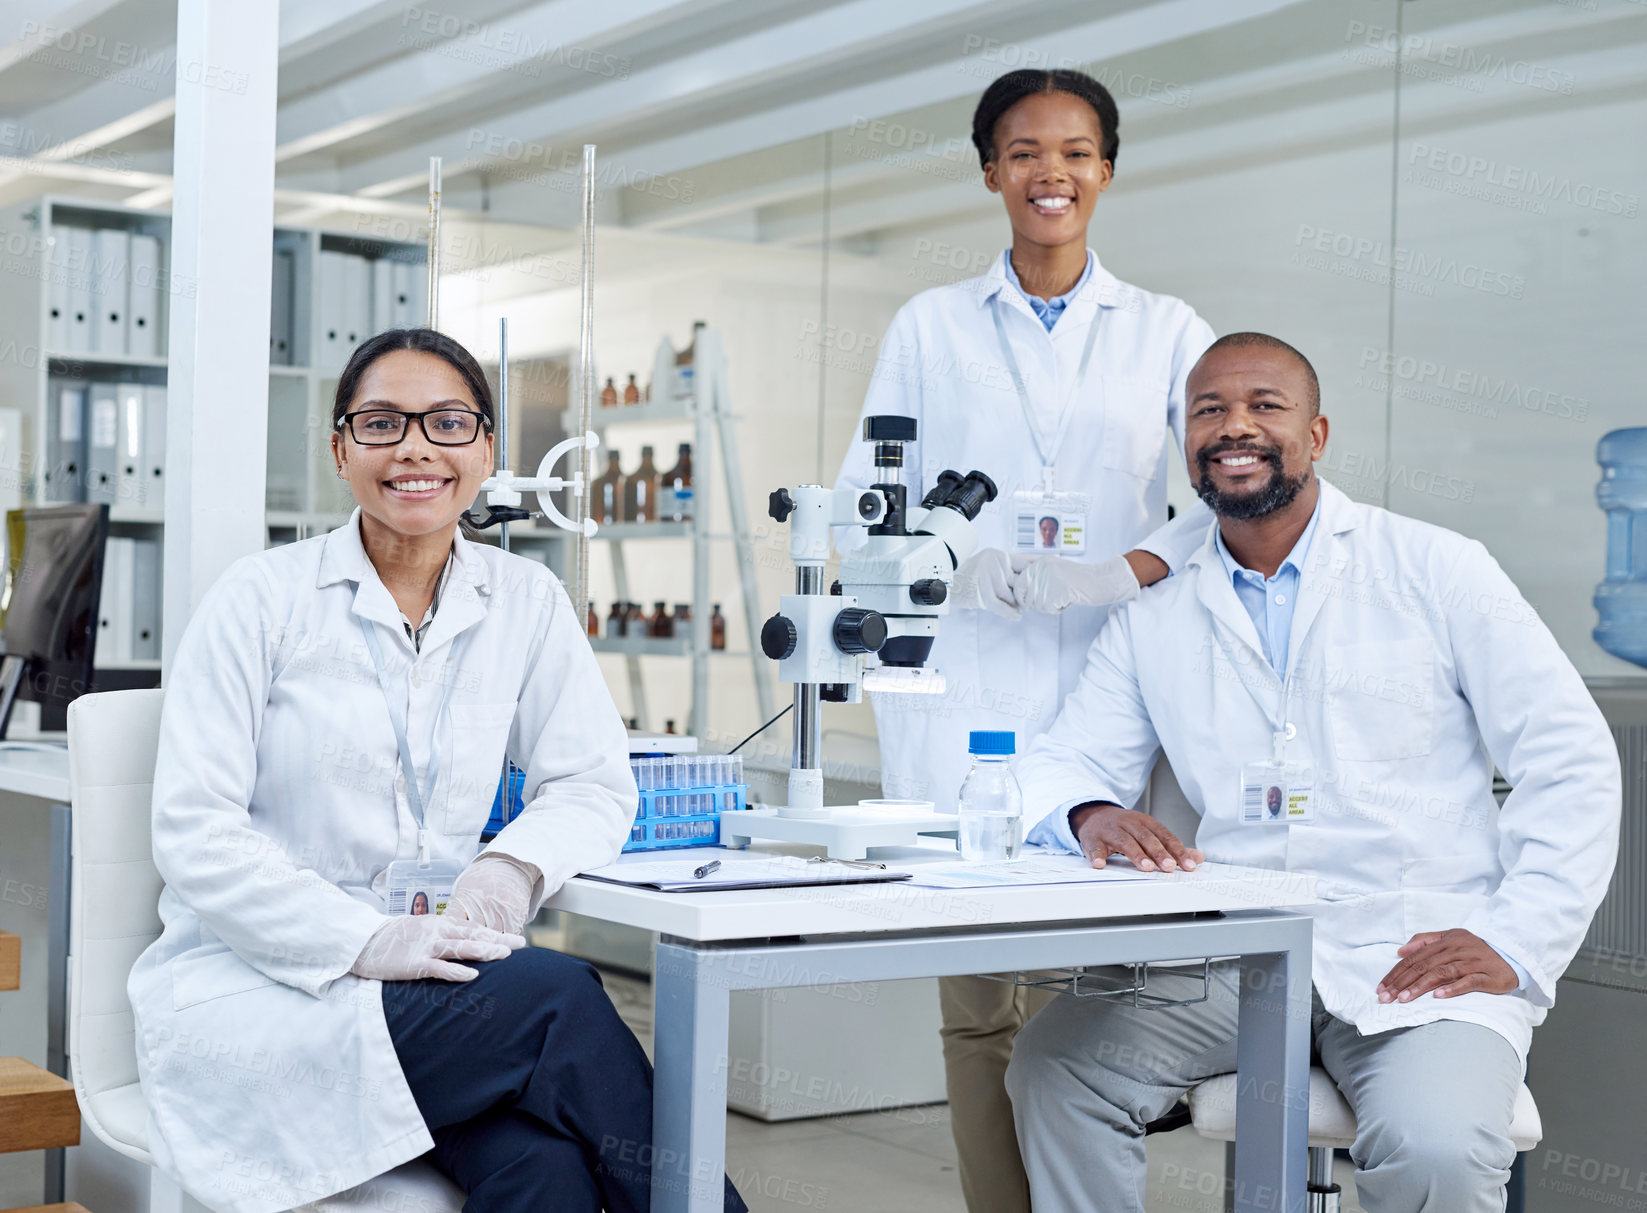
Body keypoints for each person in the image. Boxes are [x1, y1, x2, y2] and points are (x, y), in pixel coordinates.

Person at [128, 328, 746, 1213]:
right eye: (382, 423)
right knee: (554, 997)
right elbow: (196, 830)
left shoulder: (524, 600)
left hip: (436, 990)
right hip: (270, 991)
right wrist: (364, 939)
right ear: (341, 449)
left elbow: (592, 780)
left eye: (448, 423)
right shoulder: (259, 600)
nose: (416, 446)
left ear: (487, 449)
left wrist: (508, 868)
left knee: (546, 1171)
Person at [1006, 333, 1621, 1213]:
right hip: (1237, 951)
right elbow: (1066, 759)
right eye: (1209, 410)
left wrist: (1513, 939)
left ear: (1318, 433)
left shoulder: (1436, 568)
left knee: (1437, 1147)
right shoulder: (1156, 614)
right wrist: (1086, 811)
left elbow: (1570, 757)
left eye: (1264, 405)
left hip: (1414, 954)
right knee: (1054, 1069)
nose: (1234, 427)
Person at [834, 67, 1213, 1213]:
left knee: (1081, 985)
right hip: (966, 669)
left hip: (1106, 674)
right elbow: (870, 493)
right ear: (991, 169)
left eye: (1077, 151)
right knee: (977, 997)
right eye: (1026, 152)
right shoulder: (930, 325)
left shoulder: (1163, 329)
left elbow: (1223, 488)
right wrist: (957, 561)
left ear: (1107, 167)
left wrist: (1126, 566)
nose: (1052, 173)